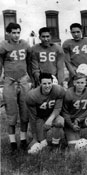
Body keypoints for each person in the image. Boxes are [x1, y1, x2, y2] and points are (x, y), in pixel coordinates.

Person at [0, 22, 32, 152]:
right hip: (10, 81)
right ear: (8, 33)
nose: (16, 35)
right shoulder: (3, 45)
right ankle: (13, 142)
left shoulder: (25, 44)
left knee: (25, 112)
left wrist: (33, 78)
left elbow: (29, 61)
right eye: (13, 32)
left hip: (23, 80)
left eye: (18, 32)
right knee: (11, 113)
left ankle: (23, 140)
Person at [26, 73, 65, 152]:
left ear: (52, 82)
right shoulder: (32, 95)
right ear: (40, 84)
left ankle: (55, 144)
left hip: (52, 116)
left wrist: (50, 119)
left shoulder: (58, 90)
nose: (47, 86)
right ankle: (38, 140)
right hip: (39, 118)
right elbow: (33, 117)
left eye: (49, 83)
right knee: (39, 145)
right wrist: (35, 137)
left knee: (60, 121)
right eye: (44, 83)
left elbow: (58, 108)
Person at [62, 73, 87, 150]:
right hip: (70, 121)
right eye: (78, 83)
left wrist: (79, 119)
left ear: (86, 83)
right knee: (74, 148)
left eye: (82, 83)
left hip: (82, 119)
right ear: (74, 83)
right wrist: (71, 125)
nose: (80, 85)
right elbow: (64, 112)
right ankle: (67, 137)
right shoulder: (68, 94)